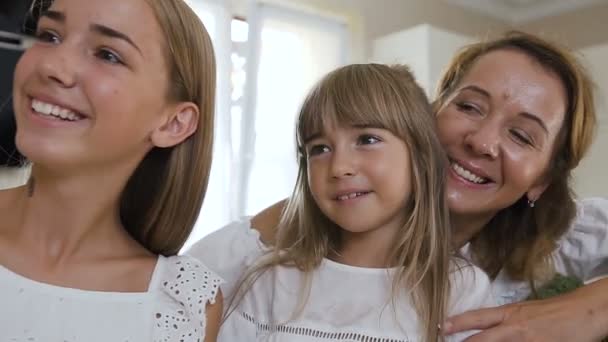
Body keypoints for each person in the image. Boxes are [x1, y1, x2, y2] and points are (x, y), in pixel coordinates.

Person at [195, 31, 608, 341]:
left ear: (542, 182)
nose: (481, 142)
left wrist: (587, 310)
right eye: (467, 106)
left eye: (521, 136)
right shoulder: (289, 244)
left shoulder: (560, 239)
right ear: (426, 116)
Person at [191, 63, 495, 341]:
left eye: (367, 140)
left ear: (420, 157)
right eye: (319, 149)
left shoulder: (459, 289)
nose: (338, 167)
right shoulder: (271, 279)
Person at [0, 0, 223, 341]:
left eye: (108, 54)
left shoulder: (181, 306)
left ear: (173, 123)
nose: (52, 66)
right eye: (50, 35)